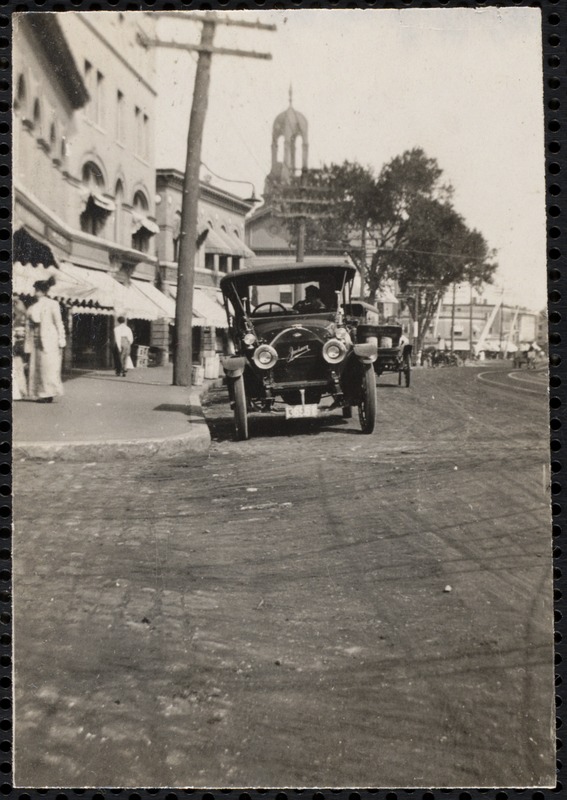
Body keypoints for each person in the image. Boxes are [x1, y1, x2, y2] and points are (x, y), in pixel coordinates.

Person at [24, 277, 66, 403]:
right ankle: (41, 393)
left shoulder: (53, 304)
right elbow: (29, 326)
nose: (34, 292)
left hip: (50, 340)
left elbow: (58, 323)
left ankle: (48, 393)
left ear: (41, 291)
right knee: (37, 367)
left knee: (49, 367)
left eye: (36, 290)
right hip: (37, 340)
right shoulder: (32, 307)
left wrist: (61, 338)